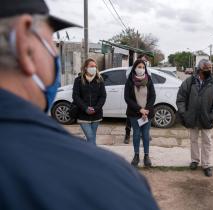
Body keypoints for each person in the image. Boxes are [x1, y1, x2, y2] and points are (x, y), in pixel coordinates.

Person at [0, 0, 159, 209]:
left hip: (101, 115)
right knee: (92, 139)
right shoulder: (112, 181)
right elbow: (78, 96)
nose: (54, 56)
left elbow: (106, 94)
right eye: (50, 43)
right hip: (91, 116)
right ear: (23, 43)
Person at [176, 59, 213, 177]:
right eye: (206, 69)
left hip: (207, 118)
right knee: (193, 140)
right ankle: (195, 160)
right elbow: (181, 98)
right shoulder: (189, 82)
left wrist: (212, 118)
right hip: (192, 117)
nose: (208, 71)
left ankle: (206, 164)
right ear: (199, 69)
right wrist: (184, 113)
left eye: (209, 69)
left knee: (207, 142)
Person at [124, 59, 156, 167]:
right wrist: (139, 109)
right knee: (136, 134)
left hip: (147, 113)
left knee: (146, 135)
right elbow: (127, 98)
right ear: (134, 68)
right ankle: (136, 155)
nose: (141, 69)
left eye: (143, 67)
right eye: (139, 67)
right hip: (134, 113)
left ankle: (146, 156)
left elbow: (153, 96)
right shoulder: (130, 81)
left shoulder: (149, 80)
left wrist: (146, 109)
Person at [72, 58, 106, 145]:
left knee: (92, 136)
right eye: (91, 66)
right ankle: (93, 155)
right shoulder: (78, 80)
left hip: (96, 114)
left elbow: (103, 96)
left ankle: (91, 154)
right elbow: (75, 96)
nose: (94, 68)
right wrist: (85, 108)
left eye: (95, 66)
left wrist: (96, 108)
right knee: (90, 136)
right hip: (83, 114)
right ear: (86, 67)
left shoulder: (99, 80)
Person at [124, 54, 151, 144]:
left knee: (144, 117)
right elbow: (130, 80)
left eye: (145, 61)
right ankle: (127, 135)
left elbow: (149, 81)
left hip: (143, 97)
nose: (144, 63)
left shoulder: (147, 70)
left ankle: (145, 134)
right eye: (142, 60)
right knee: (129, 118)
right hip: (134, 96)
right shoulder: (130, 69)